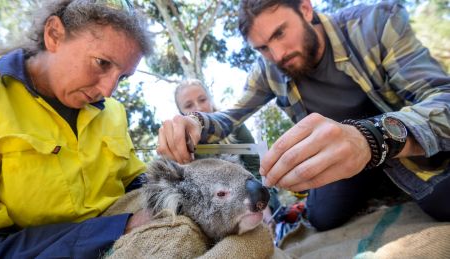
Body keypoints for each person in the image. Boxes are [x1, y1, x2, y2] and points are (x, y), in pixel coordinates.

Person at [157, 0, 450, 232]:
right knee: (322, 217)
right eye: (262, 48)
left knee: (442, 202)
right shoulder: (268, 71)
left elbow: (443, 101)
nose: (277, 54)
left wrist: (370, 139)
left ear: (306, 9)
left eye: (280, 33)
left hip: (406, 150)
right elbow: (229, 117)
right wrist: (194, 122)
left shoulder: (375, 23)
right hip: (344, 168)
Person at [0, 0, 153, 258]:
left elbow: (136, 183)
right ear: (54, 34)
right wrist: (115, 229)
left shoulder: (112, 112)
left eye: (122, 77)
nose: (109, 91)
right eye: (102, 63)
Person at [174, 79, 280, 225]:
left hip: (256, 198)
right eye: (189, 105)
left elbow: (257, 168)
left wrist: (265, 210)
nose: (198, 108)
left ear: (210, 100)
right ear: (181, 113)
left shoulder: (236, 127)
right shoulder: (181, 148)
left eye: (202, 100)